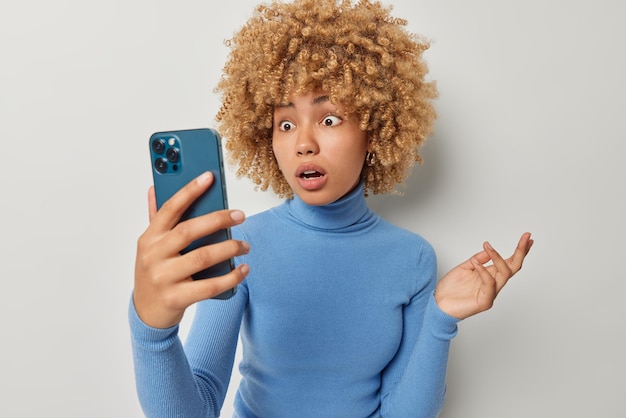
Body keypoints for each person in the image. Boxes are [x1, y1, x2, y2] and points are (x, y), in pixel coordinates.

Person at [129, 0, 534, 417]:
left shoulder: (412, 259)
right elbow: (197, 408)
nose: (303, 142)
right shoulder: (243, 245)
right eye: (285, 124)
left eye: (329, 119)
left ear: (374, 132)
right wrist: (151, 329)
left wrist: (440, 319)